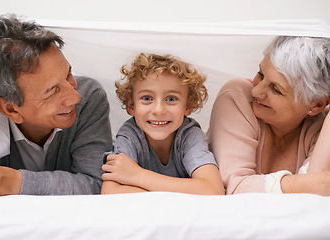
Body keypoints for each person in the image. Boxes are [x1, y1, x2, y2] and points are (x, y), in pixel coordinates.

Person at [0, 14, 112, 198]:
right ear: (11, 109)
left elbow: (98, 185)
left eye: (68, 75)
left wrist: (2, 180)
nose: (75, 97)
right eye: (52, 91)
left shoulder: (88, 96)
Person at [207, 36, 330, 195]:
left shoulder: (323, 129)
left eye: (276, 89)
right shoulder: (239, 96)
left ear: (317, 104)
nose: (256, 91)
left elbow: (316, 193)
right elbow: (234, 188)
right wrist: (307, 184)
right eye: (261, 74)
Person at [101, 53, 224, 195]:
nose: (158, 110)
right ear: (131, 105)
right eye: (147, 98)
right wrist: (187, 189)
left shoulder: (189, 134)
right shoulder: (130, 134)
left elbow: (213, 190)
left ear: (187, 106)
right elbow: (110, 192)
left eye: (171, 99)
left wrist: (137, 175)